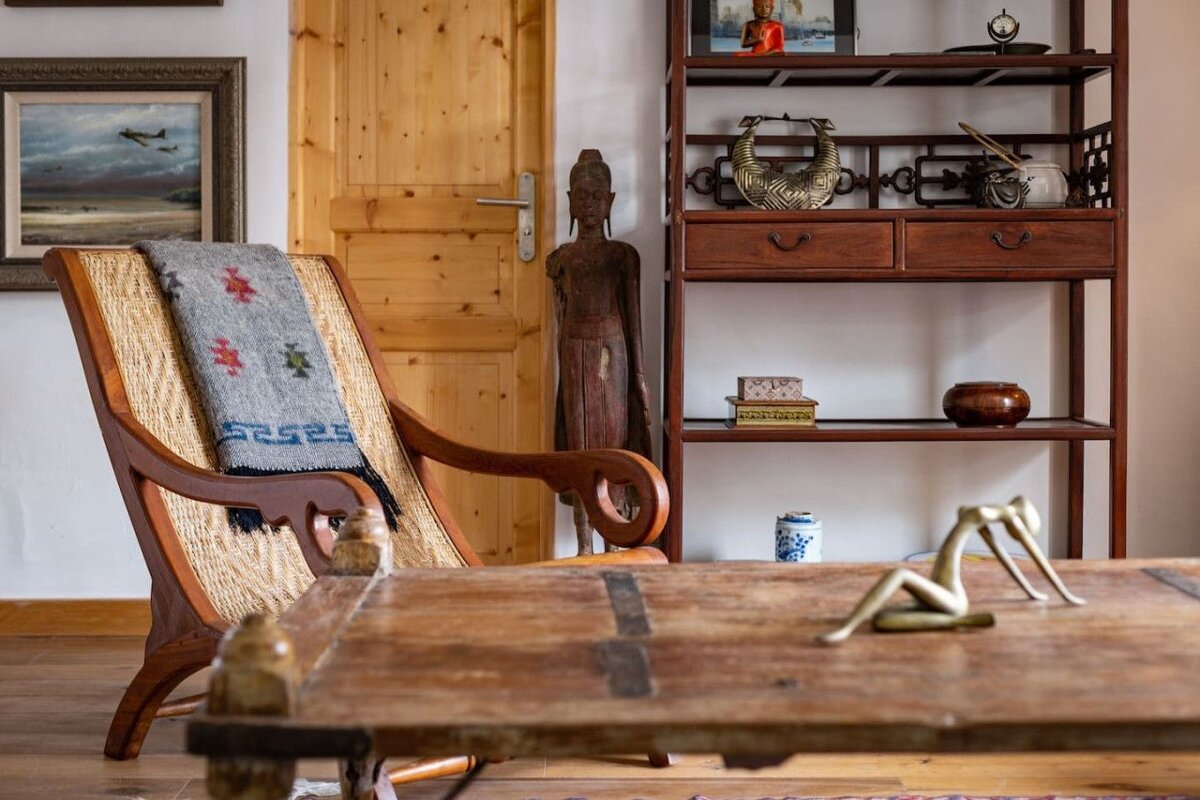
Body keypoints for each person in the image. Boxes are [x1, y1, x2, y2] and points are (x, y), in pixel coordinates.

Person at [547, 150, 653, 555]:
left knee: (615, 442)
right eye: (581, 196)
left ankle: (614, 539)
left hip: (614, 356)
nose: (589, 204)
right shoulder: (561, 259)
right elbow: (560, 318)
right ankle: (583, 545)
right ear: (569, 200)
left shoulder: (622, 256)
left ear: (610, 200)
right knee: (579, 447)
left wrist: (639, 377)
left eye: (597, 196)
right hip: (575, 356)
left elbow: (634, 319)